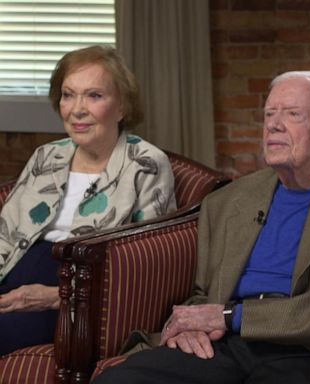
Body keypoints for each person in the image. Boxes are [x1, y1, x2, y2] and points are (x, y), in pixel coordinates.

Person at [92, 71, 310, 384]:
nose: (273, 124)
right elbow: (202, 294)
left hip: (307, 351)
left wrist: (232, 317)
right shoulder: (227, 200)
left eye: (293, 114)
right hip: (224, 343)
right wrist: (189, 324)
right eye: (270, 114)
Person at [0, 45, 177, 356]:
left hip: (77, 297)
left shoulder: (146, 163)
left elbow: (151, 264)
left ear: (122, 107)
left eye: (94, 96)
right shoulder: (47, 155)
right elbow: (6, 228)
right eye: (68, 95)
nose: (77, 109)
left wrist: (59, 296)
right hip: (16, 271)